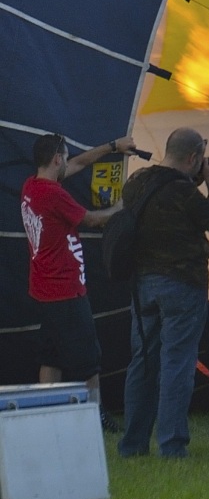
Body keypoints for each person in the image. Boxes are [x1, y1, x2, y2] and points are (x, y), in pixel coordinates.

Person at [117, 128, 209, 459]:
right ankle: (172, 445)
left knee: (143, 363)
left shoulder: (137, 182)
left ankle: (133, 445)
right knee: (177, 364)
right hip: (183, 285)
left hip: (143, 287)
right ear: (194, 158)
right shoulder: (186, 192)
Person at [20, 131, 136, 427]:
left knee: (51, 352)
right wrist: (126, 205)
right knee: (89, 358)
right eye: (65, 157)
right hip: (65, 289)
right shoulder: (54, 195)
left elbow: (80, 163)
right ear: (57, 159)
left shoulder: (31, 187)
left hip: (44, 288)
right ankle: (95, 414)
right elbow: (94, 220)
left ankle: (46, 411)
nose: (69, 162)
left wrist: (112, 145)